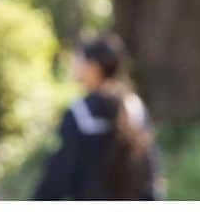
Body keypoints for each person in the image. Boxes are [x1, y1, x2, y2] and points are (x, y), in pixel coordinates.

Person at [33, 35, 160, 201]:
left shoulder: (79, 112)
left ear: (93, 67)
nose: (73, 65)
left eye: (78, 59)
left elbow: (57, 176)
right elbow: (149, 175)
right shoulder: (135, 107)